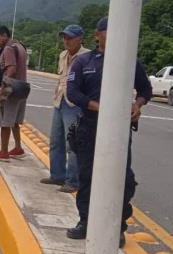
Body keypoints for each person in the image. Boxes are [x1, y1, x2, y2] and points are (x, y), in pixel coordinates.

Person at [65, 17, 151, 248]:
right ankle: (85, 222)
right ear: (97, 34)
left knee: (123, 179)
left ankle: (118, 226)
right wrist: (99, 107)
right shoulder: (84, 61)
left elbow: (145, 89)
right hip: (90, 126)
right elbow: (73, 93)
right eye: (108, 31)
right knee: (87, 176)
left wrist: (137, 104)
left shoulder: (129, 62)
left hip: (119, 129)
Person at [40, 25, 89, 193]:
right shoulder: (62, 55)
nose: (66, 41)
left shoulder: (87, 57)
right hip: (60, 101)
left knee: (72, 144)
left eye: (70, 37)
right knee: (55, 141)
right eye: (64, 37)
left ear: (80, 39)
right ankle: (57, 175)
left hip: (74, 105)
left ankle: (72, 180)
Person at [0, 26, 29, 161]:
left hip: (11, 88)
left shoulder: (8, 48)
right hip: (22, 87)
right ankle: (18, 147)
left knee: (5, 121)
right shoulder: (20, 46)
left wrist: (2, 90)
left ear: (5, 36)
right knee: (15, 120)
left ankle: (3, 152)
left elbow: (11, 69)